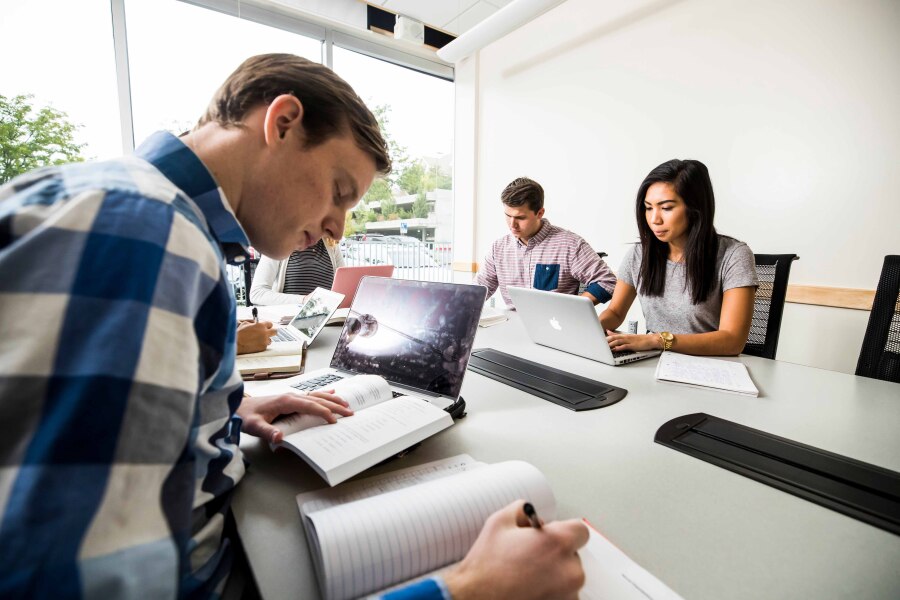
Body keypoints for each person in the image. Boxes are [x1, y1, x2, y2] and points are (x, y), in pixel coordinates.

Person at [0, 54, 587, 598]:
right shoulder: (146, 234)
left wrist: (216, 412)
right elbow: (72, 577)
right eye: (339, 191)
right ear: (281, 122)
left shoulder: (131, 211)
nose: (336, 227)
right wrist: (465, 591)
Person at [599, 159, 758, 356]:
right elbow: (615, 313)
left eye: (666, 208)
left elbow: (732, 341)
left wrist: (656, 340)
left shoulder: (734, 255)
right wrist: (589, 328)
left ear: (695, 208)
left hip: (711, 365)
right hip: (654, 360)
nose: (655, 219)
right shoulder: (639, 254)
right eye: (648, 208)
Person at [475, 177, 616, 309]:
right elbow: (478, 290)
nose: (513, 225)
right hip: (511, 326)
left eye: (520, 217)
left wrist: (574, 310)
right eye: (508, 216)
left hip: (556, 328)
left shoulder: (570, 245)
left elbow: (608, 281)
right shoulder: (498, 248)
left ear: (540, 213)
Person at [250, 236, 344, 305]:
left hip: (327, 322)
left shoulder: (331, 243)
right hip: (289, 324)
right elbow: (257, 293)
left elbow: (343, 288)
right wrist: (303, 300)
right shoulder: (277, 243)